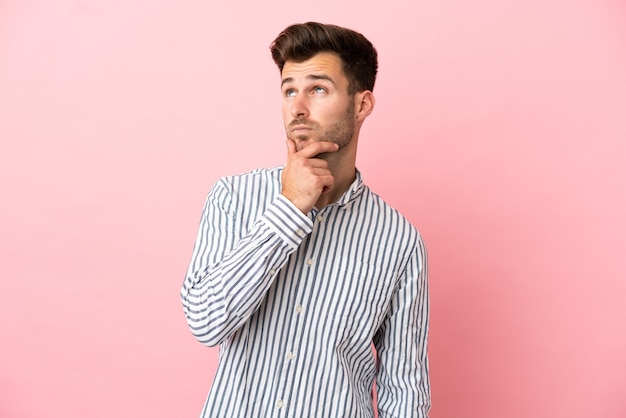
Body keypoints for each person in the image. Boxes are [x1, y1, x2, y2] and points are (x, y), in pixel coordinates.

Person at [181, 21, 430, 417]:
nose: (297, 107)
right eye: (289, 90)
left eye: (318, 89)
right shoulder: (234, 198)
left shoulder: (399, 240)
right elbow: (207, 322)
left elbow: (405, 387)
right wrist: (289, 207)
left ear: (361, 104)